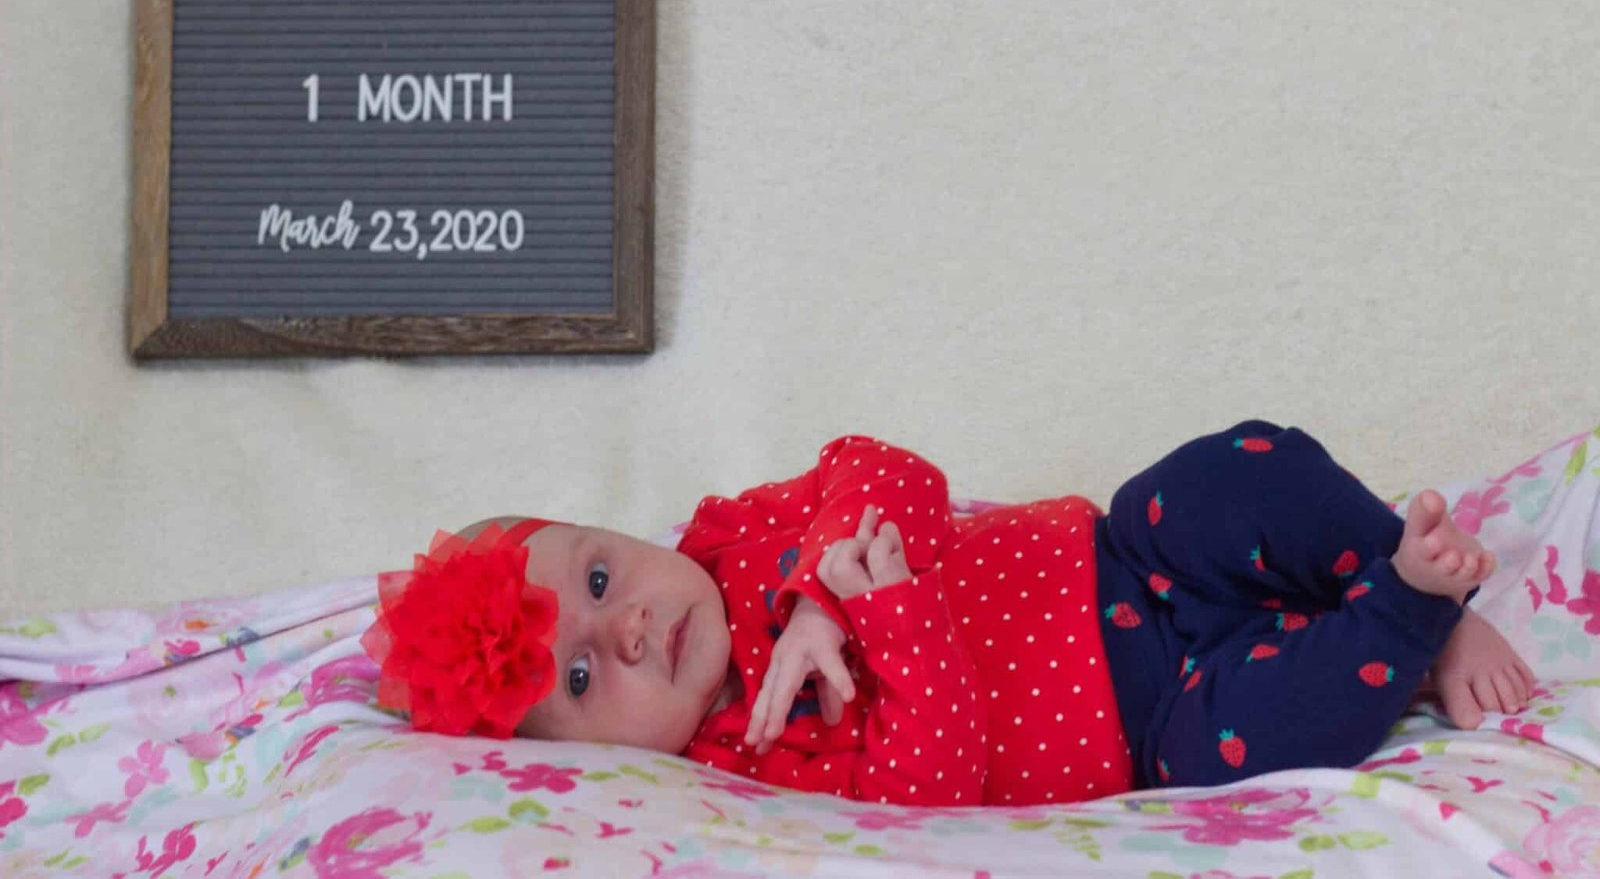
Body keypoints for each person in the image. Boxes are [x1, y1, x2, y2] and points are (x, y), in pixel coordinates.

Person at [361, 421, 1535, 806]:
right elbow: (933, 780)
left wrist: (823, 596)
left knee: (1225, 472)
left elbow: (888, 468)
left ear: (607, 532)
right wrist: (897, 621)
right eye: (579, 678)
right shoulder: (746, 761)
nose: (622, 628)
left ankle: (1395, 561)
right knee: (1256, 736)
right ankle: (1406, 610)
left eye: (597, 579)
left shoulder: (731, 534)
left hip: (1127, 555)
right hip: (1157, 720)